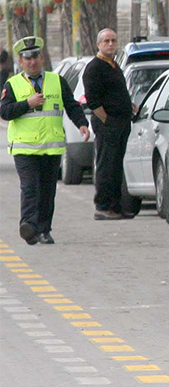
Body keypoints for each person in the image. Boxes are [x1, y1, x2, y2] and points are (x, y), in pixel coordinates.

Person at [0, 37, 89, 245]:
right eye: (27, 58)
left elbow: (71, 105)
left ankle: (43, 230)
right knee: (30, 188)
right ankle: (29, 226)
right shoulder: (12, 84)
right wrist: (27, 104)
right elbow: (4, 112)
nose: (32, 62)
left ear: (42, 59)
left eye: (36, 57)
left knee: (48, 191)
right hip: (25, 148)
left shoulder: (56, 81)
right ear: (21, 62)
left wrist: (82, 123)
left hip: (51, 147)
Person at [83, 29, 135, 220]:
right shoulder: (94, 67)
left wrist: (128, 105)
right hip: (108, 124)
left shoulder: (113, 65)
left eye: (114, 40)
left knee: (116, 166)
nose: (111, 44)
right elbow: (93, 100)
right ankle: (103, 206)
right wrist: (107, 120)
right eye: (106, 41)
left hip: (121, 122)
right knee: (106, 165)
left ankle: (115, 206)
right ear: (98, 44)